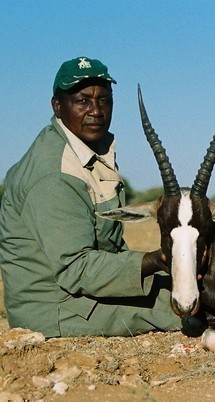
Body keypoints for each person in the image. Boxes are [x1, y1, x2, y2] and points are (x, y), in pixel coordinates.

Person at [0, 57, 182, 337]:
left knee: (189, 289)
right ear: (58, 106)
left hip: (86, 290)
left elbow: (108, 247)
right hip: (54, 308)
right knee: (184, 310)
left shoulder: (91, 151)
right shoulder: (55, 173)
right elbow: (76, 268)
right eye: (83, 101)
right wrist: (155, 260)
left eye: (104, 100)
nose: (96, 111)